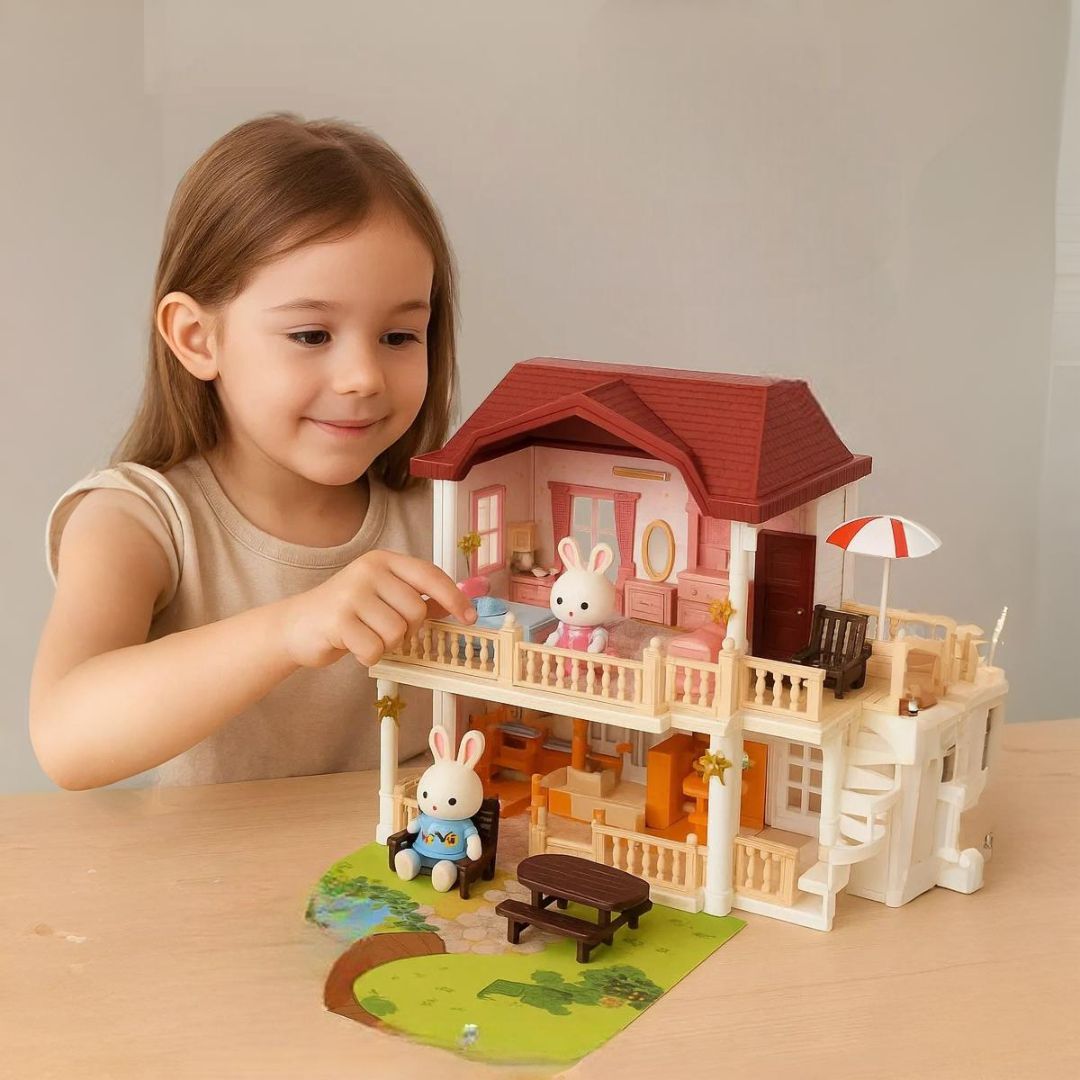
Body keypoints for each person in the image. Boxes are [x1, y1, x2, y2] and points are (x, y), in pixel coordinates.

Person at [29, 113, 477, 790]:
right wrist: (289, 629)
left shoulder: (450, 515)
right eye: (311, 335)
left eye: (398, 337)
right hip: (219, 862)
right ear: (196, 338)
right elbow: (66, 738)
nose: (363, 377)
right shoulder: (137, 521)